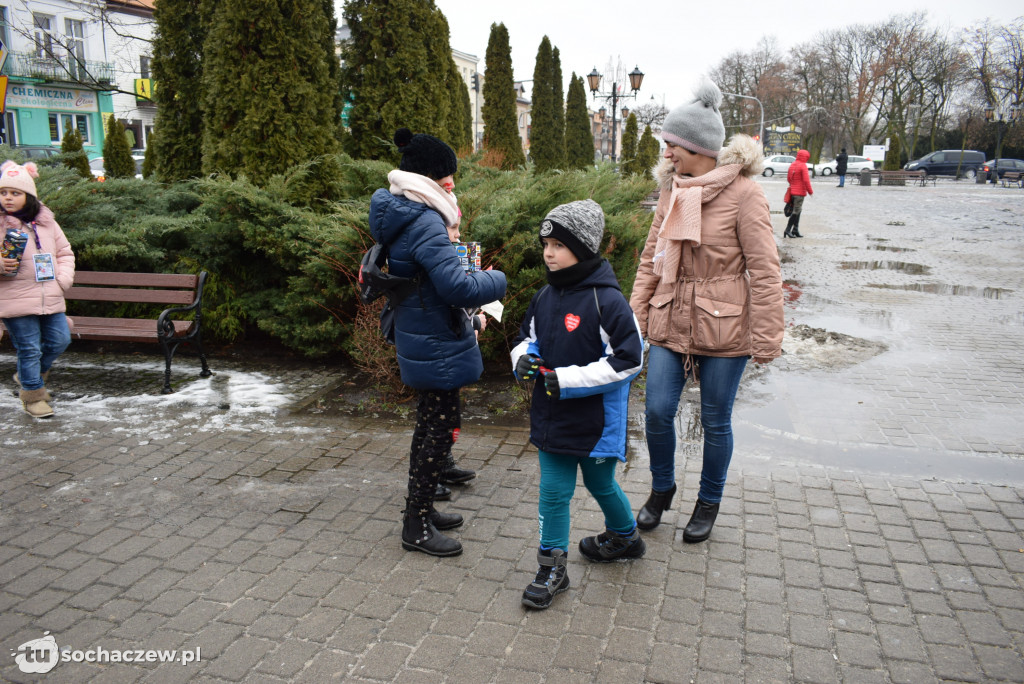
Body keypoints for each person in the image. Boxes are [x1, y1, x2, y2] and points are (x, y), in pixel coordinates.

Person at [629, 79, 784, 544]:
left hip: (725, 324)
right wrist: (634, 316)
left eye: (671, 144)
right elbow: (650, 258)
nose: (666, 153)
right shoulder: (671, 191)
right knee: (656, 411)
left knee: (716, 419)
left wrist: (767, 335)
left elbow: (765, 268)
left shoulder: (744, 194)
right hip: (670, 317)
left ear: (695, 146)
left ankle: (708, 501)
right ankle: (662, 489)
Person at [369, 128, 507, 557]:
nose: (451, 185)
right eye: (446, 178)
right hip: (435, 337)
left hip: (423, 330)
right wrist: (496, 279)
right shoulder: (426, 220)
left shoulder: (404, 210)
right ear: (430, 178)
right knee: (435, 430)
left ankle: (423, 511)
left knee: (431, 424)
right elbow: (457, 288)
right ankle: (416, 527)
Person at [511, 199, 645, 610]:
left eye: (559, 245)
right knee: (554, 492)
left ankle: (625, 536)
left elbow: (629, 359)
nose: (548, 253)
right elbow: (523, 337)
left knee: (601, 483)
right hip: (551, 417)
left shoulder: (609, 301)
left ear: (583, 248)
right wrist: (522, 359)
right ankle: (554, 567)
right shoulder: (544, 297)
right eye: (545, 243)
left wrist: (564, 380)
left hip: (596, 421)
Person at [0, 161, 75, 419]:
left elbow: (65, 252)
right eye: (3, 193)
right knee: (29, 348)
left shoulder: (46, 222)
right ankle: (33, 395)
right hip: (14, 299)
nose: (8, 198)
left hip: (49, 296)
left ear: (28, 195)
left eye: (15, 193)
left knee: (60, 340)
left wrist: (62, 280)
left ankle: (25, 375)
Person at [784, 149, 813, 238]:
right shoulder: (803, 166)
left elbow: (789, 178)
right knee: (796, 211)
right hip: (799, 192)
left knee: (798, 210)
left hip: (792, 191)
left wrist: (793, 185)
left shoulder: (793, 164)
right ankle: (788, 230)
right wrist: (810, 191)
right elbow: (806, 180)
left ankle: (795, 230)